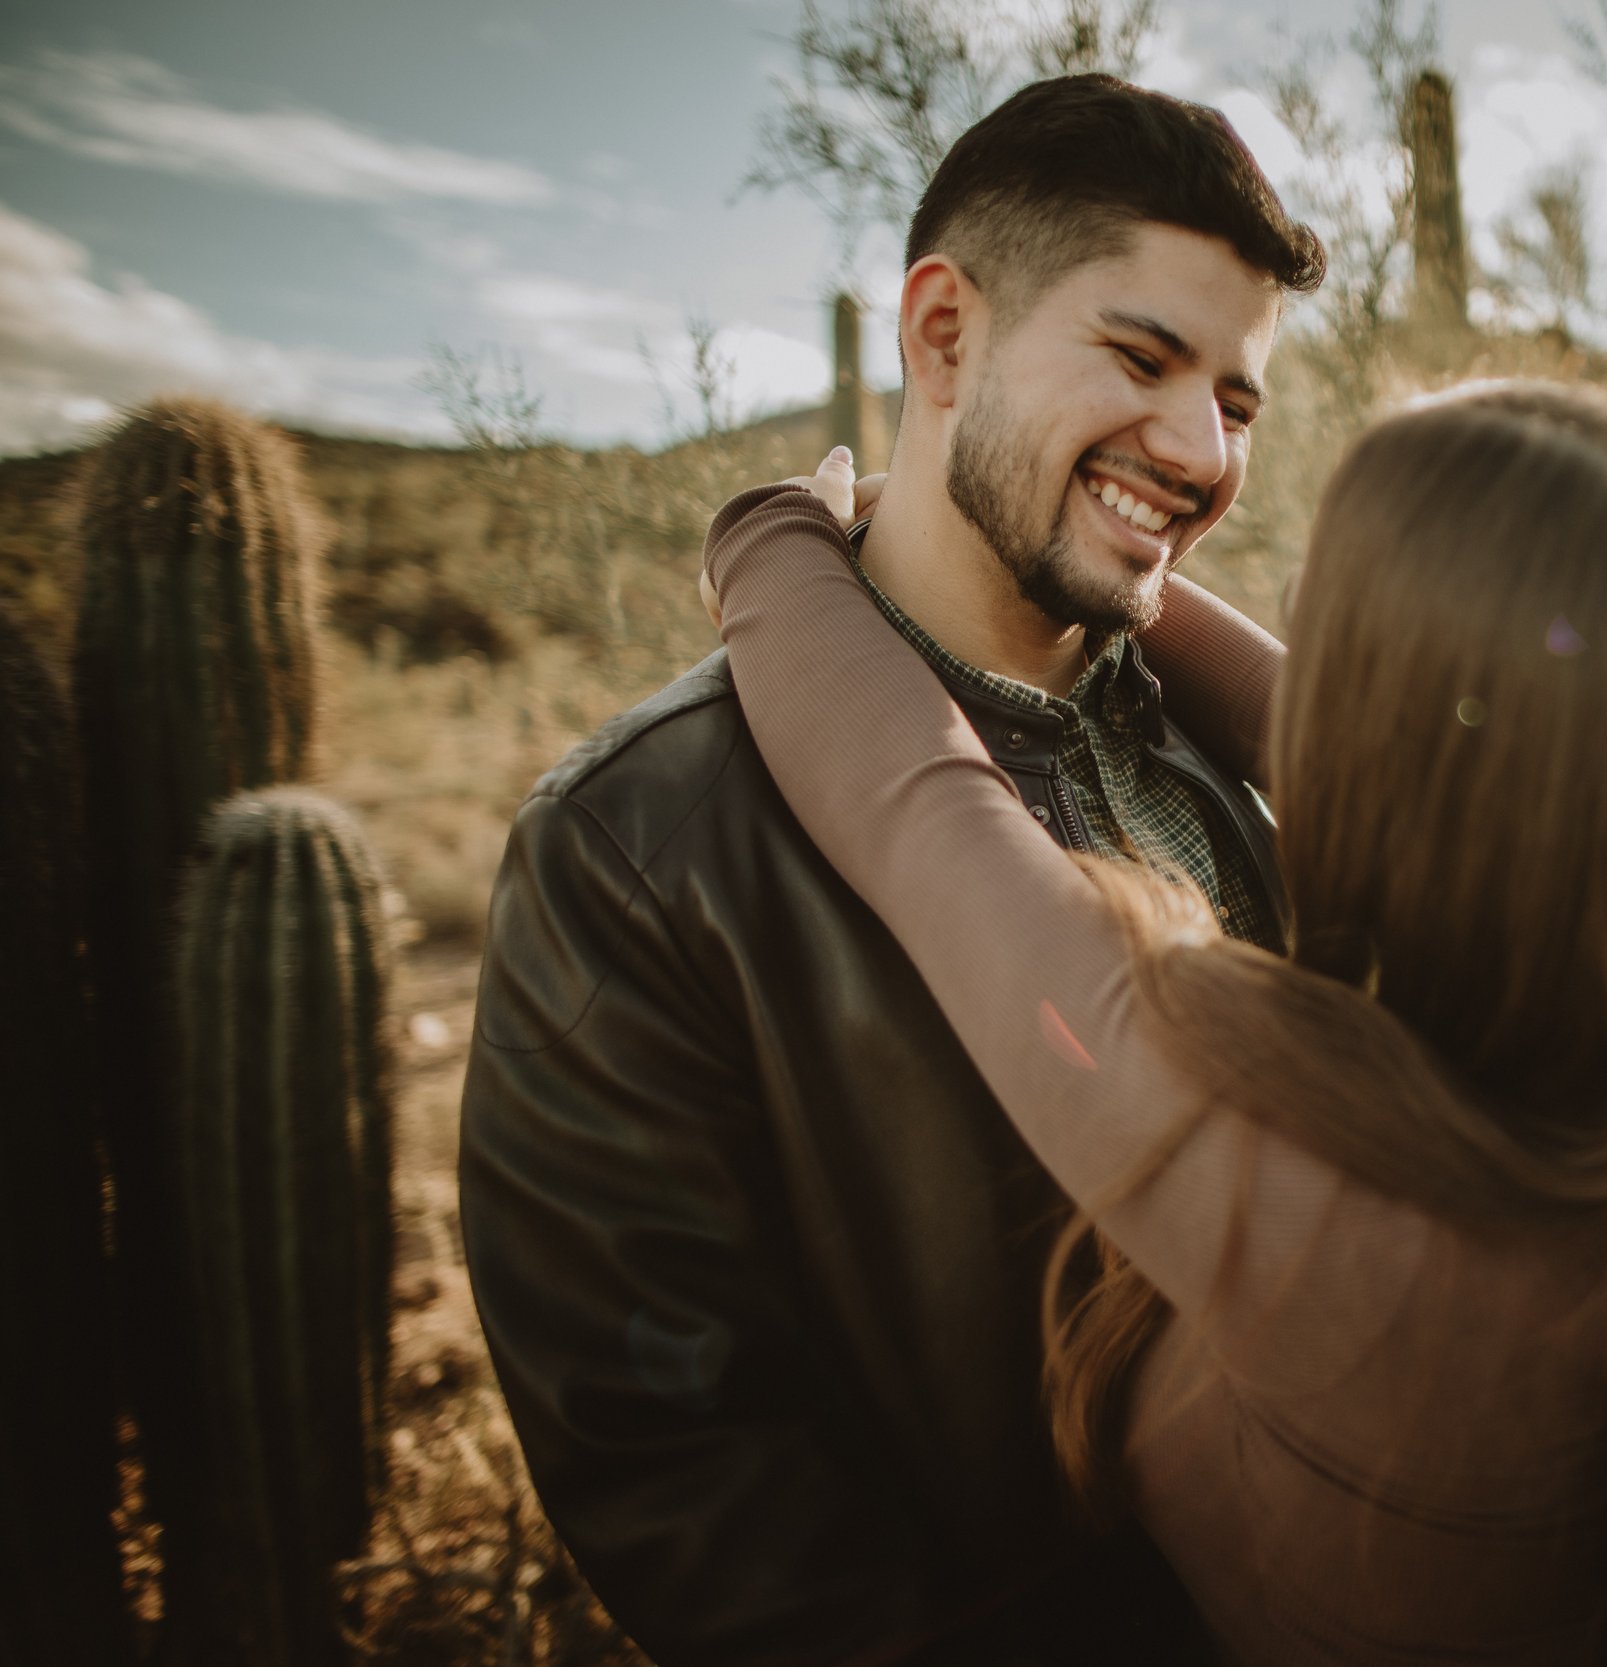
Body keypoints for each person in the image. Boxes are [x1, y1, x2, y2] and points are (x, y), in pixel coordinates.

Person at [703, 380, 1607, 1665]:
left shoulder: (1319, 1198)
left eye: (1315, 620)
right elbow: (1429, 749)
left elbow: (918, 806)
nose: (1289, 640)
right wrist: (1087, 565)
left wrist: (770, 529)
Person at [458, 74, 1321, 1665]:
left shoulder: (1250, 780)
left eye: (1240, 400)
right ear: (941, 337)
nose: (1199, 449)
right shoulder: (636, 851)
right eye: (1141, 359)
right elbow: (686, 1473)